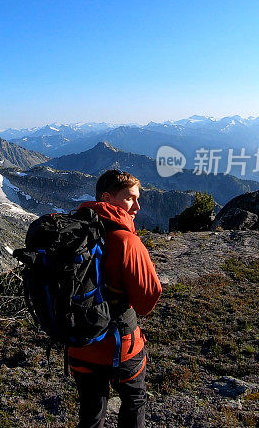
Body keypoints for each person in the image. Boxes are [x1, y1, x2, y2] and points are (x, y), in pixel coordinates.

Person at [68, 169, 162, 428]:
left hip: (79, 342)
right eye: (130, 198)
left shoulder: (73, 233)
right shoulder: (126, 241)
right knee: (134, 400)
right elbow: (146, 301)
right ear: (107, 198)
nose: (137, 207)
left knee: (91, 412)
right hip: (120, 347)